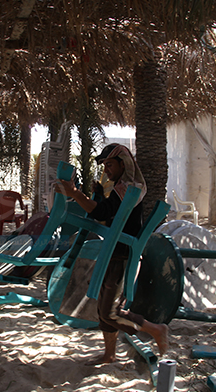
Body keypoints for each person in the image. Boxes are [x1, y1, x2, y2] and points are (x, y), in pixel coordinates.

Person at [53, 143, 169, 365]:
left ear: (123, 164)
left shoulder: (129, 188)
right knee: (103, 308)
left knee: (111, 312)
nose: (106, 169)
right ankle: (109, 354)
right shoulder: (121, 188)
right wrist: (97, 194)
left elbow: (102, 212)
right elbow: (108, 212)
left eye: (110, 165)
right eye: (105, 165)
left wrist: (75, 193)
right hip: (113, 254)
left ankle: (156, 329)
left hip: (123, 257)